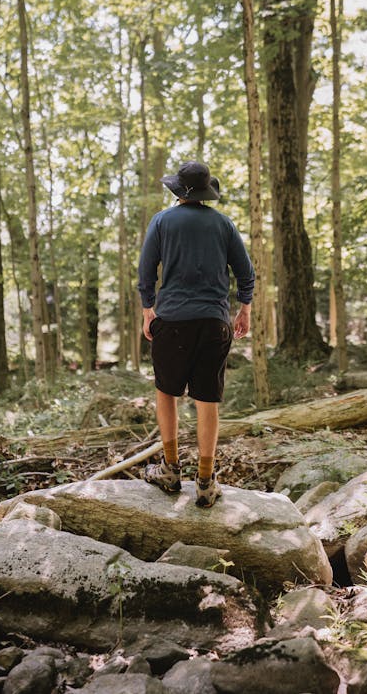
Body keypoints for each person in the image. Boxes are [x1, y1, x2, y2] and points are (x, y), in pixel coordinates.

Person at [137, 161, 255, 507]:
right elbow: (246, 273)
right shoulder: (223, 224)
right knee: (207, 399)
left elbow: (146, 271)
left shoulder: (161, 221)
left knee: (166, 393)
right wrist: (244, 308)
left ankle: (171, 471)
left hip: (171, 320)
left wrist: (148, 310)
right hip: (214, 323)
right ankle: (205, 481)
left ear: (179, 191)